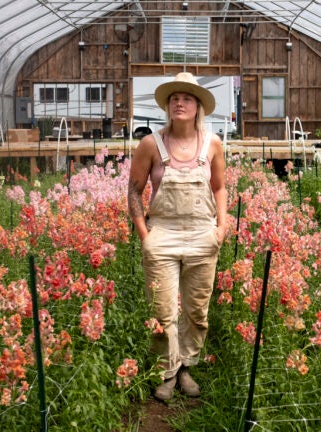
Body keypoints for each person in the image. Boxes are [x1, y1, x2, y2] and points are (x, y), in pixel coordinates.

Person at [127, 72, 228, 401]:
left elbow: (220, 187)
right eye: (174, 98)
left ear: (199, 106)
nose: (179, 103)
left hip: (202, 234)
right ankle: (167, 372)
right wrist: (144, 233)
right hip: (163, 235)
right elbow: (134, 189)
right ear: (167, 106)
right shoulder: (150, 144)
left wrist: (221, 226)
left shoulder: (212, 144)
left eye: (186, 98)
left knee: (197, 311)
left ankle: (186, 366)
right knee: (162, 311)